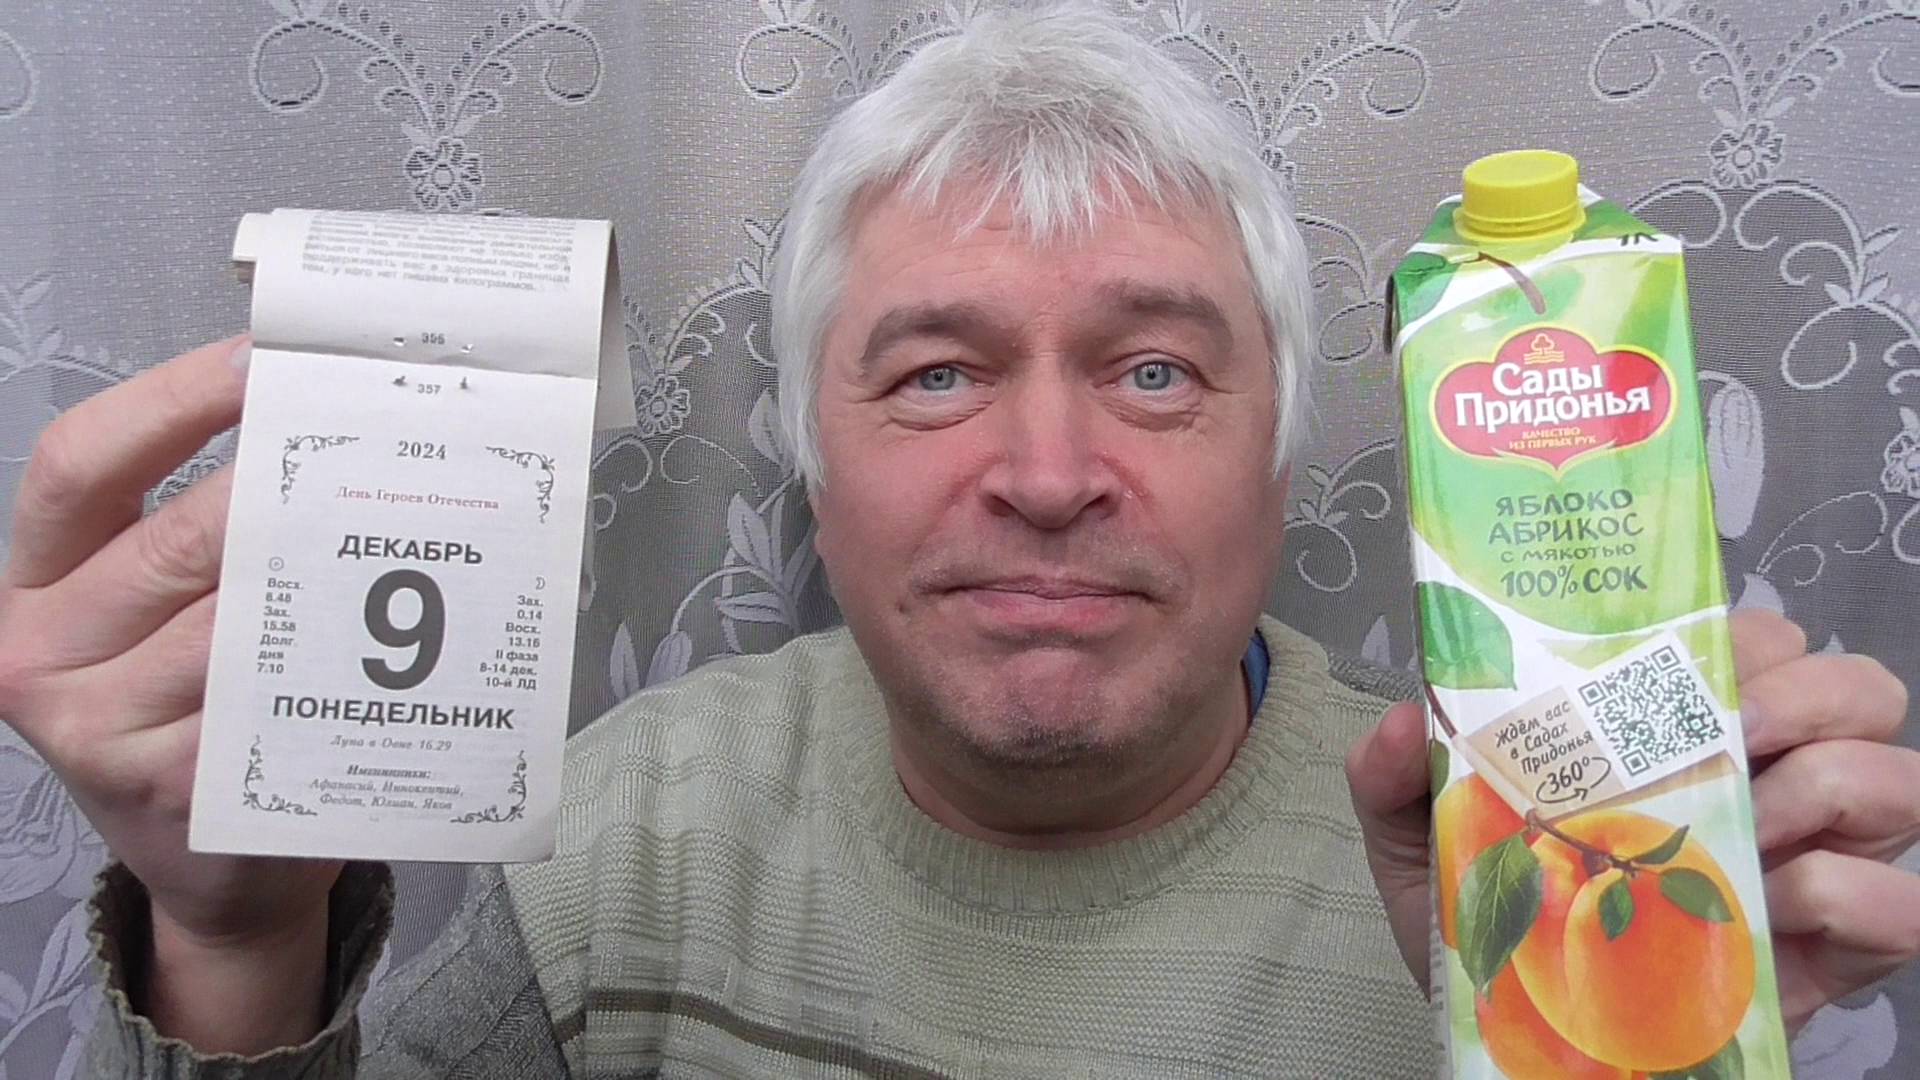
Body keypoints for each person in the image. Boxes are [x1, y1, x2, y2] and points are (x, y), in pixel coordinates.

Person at [2, 4, 1914, 1077]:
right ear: (812, 472)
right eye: (933, 376)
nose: (1050, 472)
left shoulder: (1534, 897)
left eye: (1156, 373)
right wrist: (235, 934)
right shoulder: (627, 832)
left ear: (1286, 462)